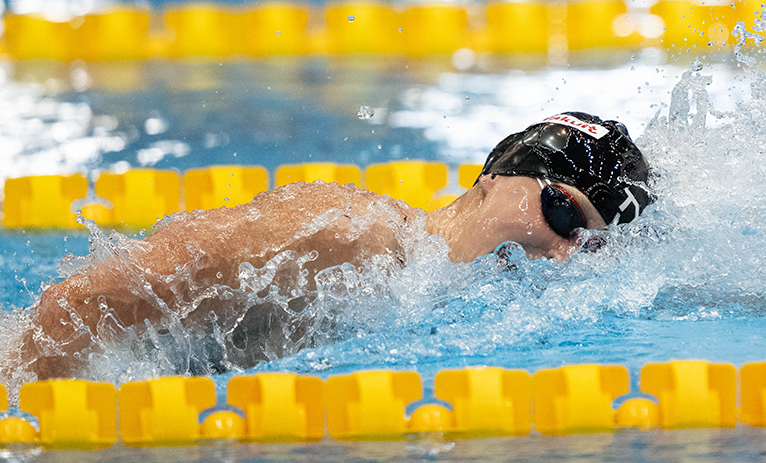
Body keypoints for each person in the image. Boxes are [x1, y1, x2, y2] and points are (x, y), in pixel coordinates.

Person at [14, 112, 654, 380]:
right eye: (562, 212)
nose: (563, 252)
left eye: (591, 247)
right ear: (493, 178)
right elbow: (97, 296)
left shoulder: (433, 297)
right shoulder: (347, 234)